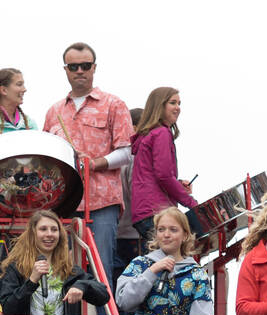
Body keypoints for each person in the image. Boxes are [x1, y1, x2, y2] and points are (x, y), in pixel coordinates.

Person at [43, 42, 134, 281]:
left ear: (94, 68)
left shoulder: (114, 104)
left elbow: (126, 151)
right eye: (74, 67)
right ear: (66, 70)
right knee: (59, 270)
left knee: (99, 268)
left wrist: (94, 163)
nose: (80, 71)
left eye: (85, 66)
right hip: (63, 202)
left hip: (102, 202)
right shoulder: (54, 111)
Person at [0, 210, 108, 315]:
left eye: (54, 230)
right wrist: (31, 281)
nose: (49, 234)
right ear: (33, 233)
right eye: (43, 229)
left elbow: (104, 295)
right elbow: (7, 309)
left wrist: (82, 286)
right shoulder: (17, 268)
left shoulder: (69, 270)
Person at [130, 87, 198, 252]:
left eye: (179, 103)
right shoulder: (161, 133)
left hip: (143, 211)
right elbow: (164, 176)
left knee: (157, 262)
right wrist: (192, 203)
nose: (177, 108)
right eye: (172, 103)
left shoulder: (148, 135)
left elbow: (155, 174)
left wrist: (177, 184)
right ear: (159, 106)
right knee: (168, 264)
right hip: (156, 211)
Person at [116, 207, 213, 315]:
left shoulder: (197, 274)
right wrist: (151, 272)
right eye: (161, 229)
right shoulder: (140, 264)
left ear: (185, 235)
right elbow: (123, 302)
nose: (166, 235)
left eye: (173, 230)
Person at [112, 107, 143, 284]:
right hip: (133, 231)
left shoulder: (117, 154)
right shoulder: (135, 153)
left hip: (117, 230)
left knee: (118, 280)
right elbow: (135, 192)